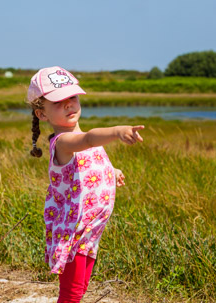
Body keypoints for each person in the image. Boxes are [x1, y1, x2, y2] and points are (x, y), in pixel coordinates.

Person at [27, 66, 144, 303]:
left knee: (79, 290)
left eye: (72, 97)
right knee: (71, 295)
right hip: (74, 232)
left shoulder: (80, 144)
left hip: (90, 231)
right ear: (42, 114)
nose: (69, 104)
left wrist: (112, 171)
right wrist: (117, 131)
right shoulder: (65, 142)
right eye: (59, 101)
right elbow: (89, 139)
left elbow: (89, 165)